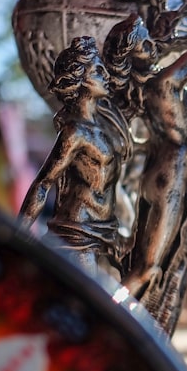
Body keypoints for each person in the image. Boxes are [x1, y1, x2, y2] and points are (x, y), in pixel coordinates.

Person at [18, 36, 132, 281]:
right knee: (89, 304)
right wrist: (19, 236)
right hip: (77, 231)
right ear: (81, 79)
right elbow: (43, 184)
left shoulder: (105, 126)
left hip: (105, 228)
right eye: (98, 71)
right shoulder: (74, 131)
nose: (106, 75)